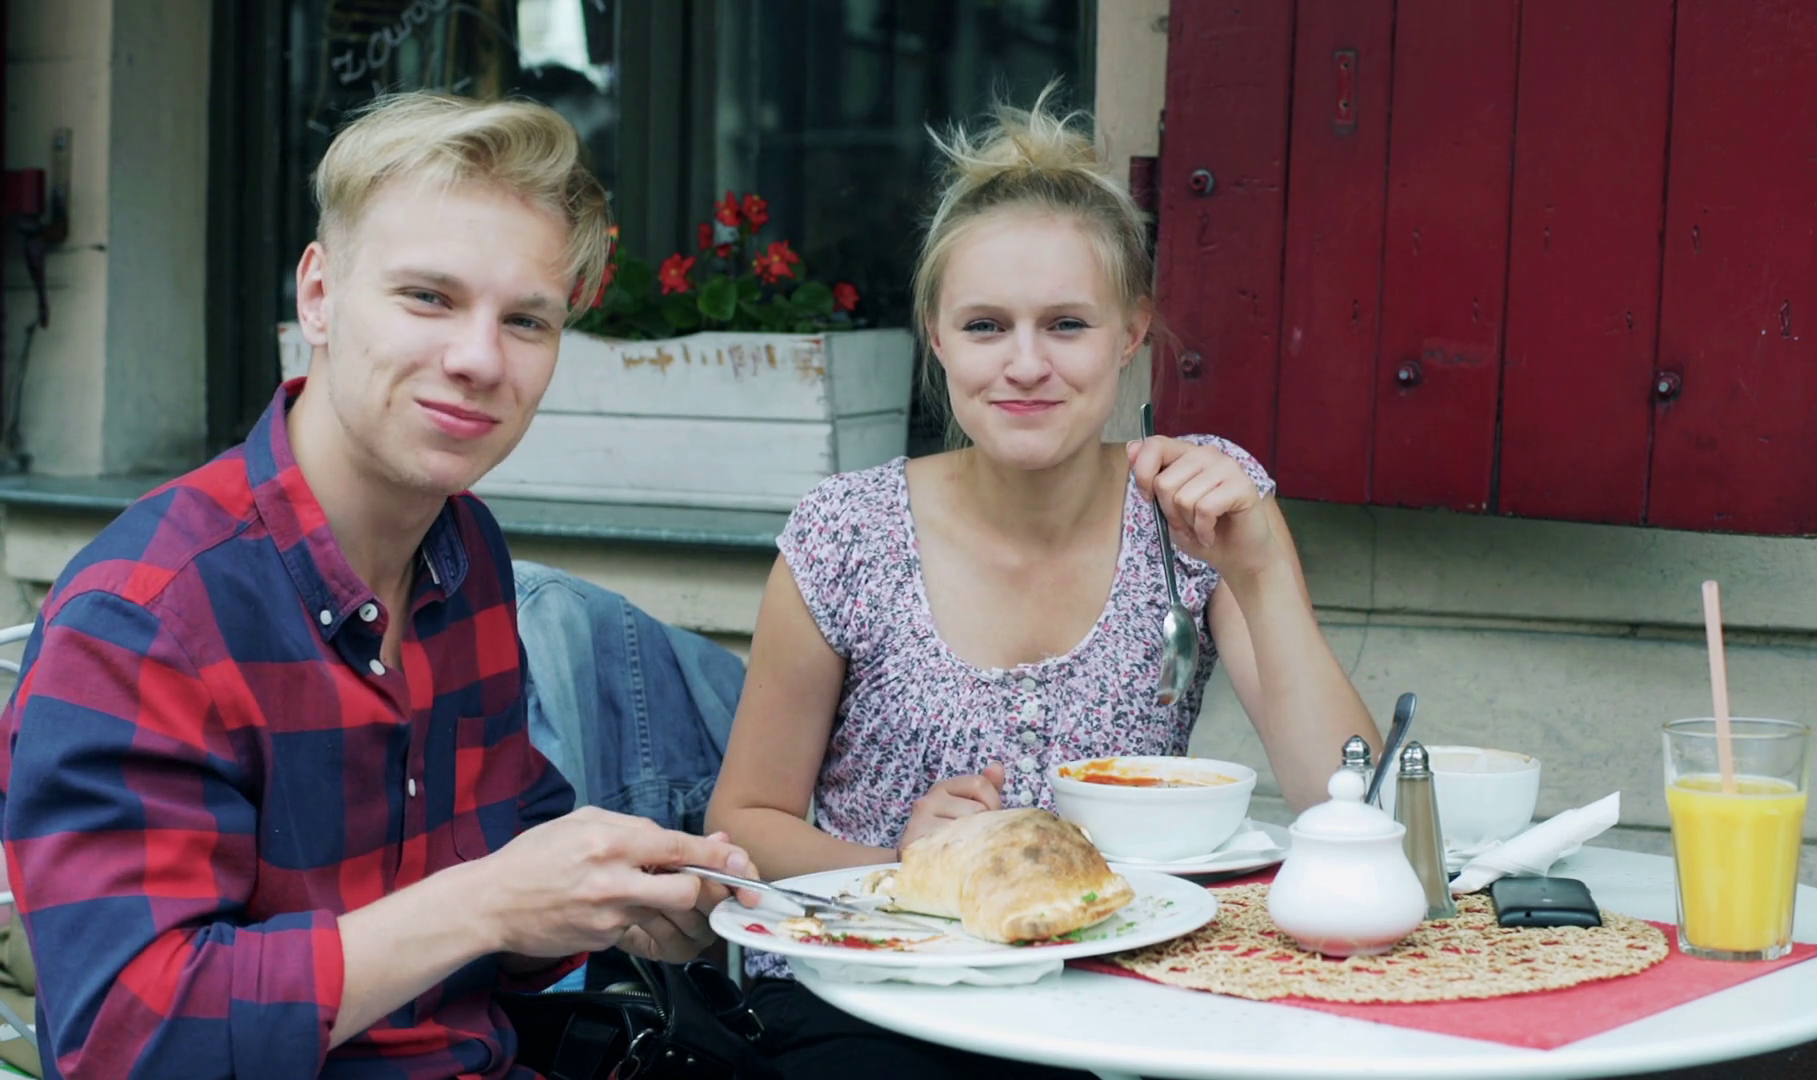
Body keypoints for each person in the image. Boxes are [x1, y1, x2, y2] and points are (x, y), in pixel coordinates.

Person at [0, 92, 756, 1079]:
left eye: (527, 319)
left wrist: (626, 899)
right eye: (429, 298)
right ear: (318, 295)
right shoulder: (146, 612)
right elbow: (126, 1042)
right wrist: (492, 901)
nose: (479, 358)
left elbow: (508, 887)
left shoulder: (463, 548)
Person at [704, 83, 1380, 1077]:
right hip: (877, 999)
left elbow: (1347, 807)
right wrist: (913, 869)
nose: (1025, 365)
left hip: (1114, 1000)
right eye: (986, 326)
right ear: (936, 334)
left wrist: (1265, 564)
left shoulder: (1191, 514)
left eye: (1066, 324)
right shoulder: (847, 533)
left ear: (1131, 331)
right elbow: (745, 822)